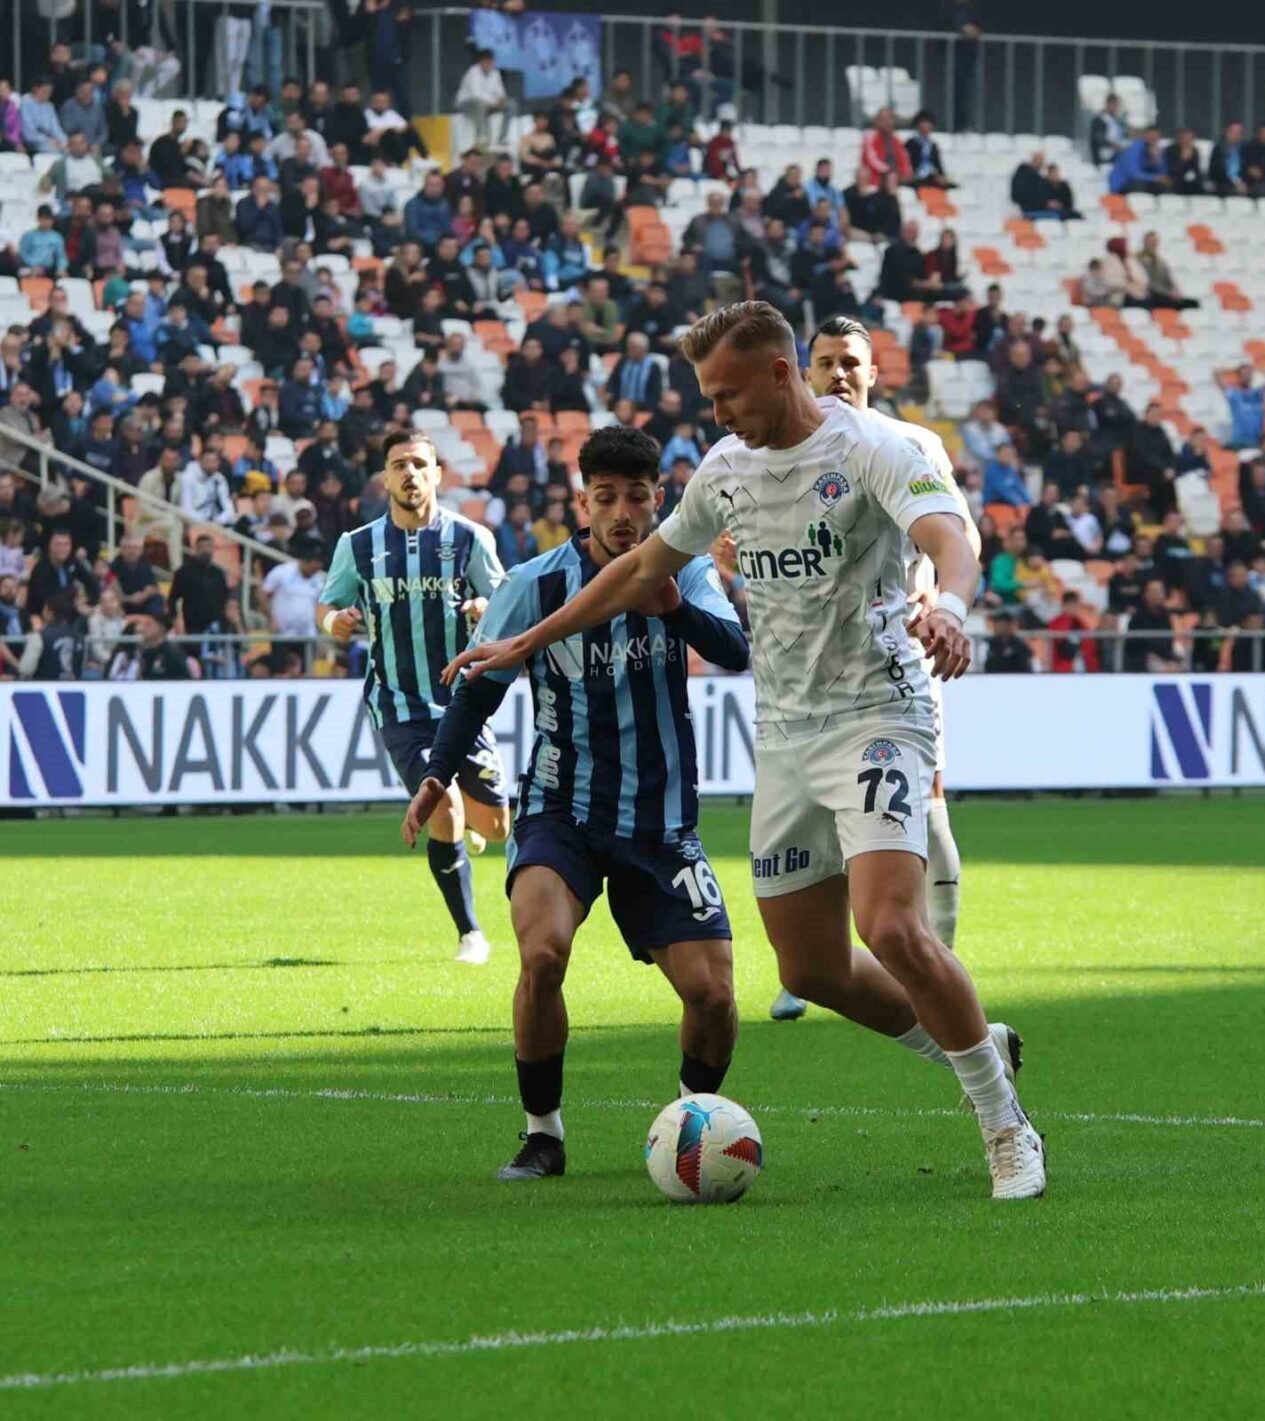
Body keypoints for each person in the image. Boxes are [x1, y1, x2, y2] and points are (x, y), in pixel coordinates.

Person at [445, 302, 1044, 1201]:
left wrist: (952, 609)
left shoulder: (873, 449)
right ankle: (973, 1043)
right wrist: (527, 641)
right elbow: (640, 569)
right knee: (810, 969)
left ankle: (1005, 1126)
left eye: (726, 393)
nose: (717, 413)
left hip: (879, 713)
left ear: (779, 371)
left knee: (889, 926)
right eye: (707, 397)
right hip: (786, 736)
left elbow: (949, 540)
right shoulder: (726, 471)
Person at [400, 427, 749, 1180]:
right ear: (582, 501)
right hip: (562, 809)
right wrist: (437, 773)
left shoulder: (685, 571)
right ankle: (543, 1135)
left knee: (715, 995)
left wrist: (674, 608)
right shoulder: (533, 583)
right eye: (607, 497)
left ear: (658, 500)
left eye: (637, 497)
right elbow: (479, 689)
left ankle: (688, 1125)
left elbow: (735, 649)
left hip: (660, 822)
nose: (622, 513)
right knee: (542, 954)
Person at [778, 316, 982, 1023]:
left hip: (897, 654)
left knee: (924, 797)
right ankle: (820, 959)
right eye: (825, 361)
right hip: (810, 668)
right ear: (805, 372)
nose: (838, 373)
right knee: (818, 813)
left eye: (850, 362)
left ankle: (937, 958)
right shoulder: (780, 448)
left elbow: (960, 531)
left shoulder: (910, 443)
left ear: (873, 373)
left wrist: (939, 597)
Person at [317, 430, 511, 965]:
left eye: (420, 464)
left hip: (462, 701)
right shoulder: (358, 545)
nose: (410, 473)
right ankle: (470, 933)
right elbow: (326, 605)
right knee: (441, 803)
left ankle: (469, 826)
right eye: (399, 464)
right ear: (385, 477)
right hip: (398, 703)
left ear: (437, 475)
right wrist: (334, 622)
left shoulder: (469, 538)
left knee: (497, 827)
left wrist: (484, 608)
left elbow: (504, 601)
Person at [17, 588, 84, 680]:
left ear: (50, 612)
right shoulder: (78, 637)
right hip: (73, 685)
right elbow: (78, 667)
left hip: (43, 684)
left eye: (44, 609)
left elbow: (26, 669)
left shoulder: (40, 636)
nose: (42, 613)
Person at [456, 49, 515, 147]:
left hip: (490, 104)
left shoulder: (495, 73)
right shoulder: (473, 72)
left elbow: (500, 92)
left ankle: (502, 137)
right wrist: (493, 102)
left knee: (511, 104)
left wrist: (501, 99)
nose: (489, 64)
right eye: (486, 62)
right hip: (467, 104)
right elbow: (476, 94)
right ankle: (481, 136)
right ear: (481, 62)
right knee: (480, 104)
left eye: (491, 62)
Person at [1216, 365, 1265, 450]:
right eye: (1243, 374)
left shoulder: (1258, 393)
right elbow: (1216, 374)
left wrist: (1256, 368)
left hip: (1257, 440)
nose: (1246, 376)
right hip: (1240, 441)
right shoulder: (1233, 394)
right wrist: (1234, 369)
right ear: (1239, 376)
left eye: (1249, 374)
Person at [983, 607, 1035, 673]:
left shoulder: (1020, 646)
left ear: (1011, 626)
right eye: (999, 624)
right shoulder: (987, 644)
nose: (1002, 628)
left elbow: (1027, 667)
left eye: (1005, 624)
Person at [1090, 92, 1127, 167]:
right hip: (1104, 157)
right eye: (1113, 104)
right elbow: (1099, 138)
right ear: (1107, 104)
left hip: (1117, 154)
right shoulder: (1100, 119)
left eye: (1116, 105)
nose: (1115, 107)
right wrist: (1114, 146)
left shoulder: (1117, 120)